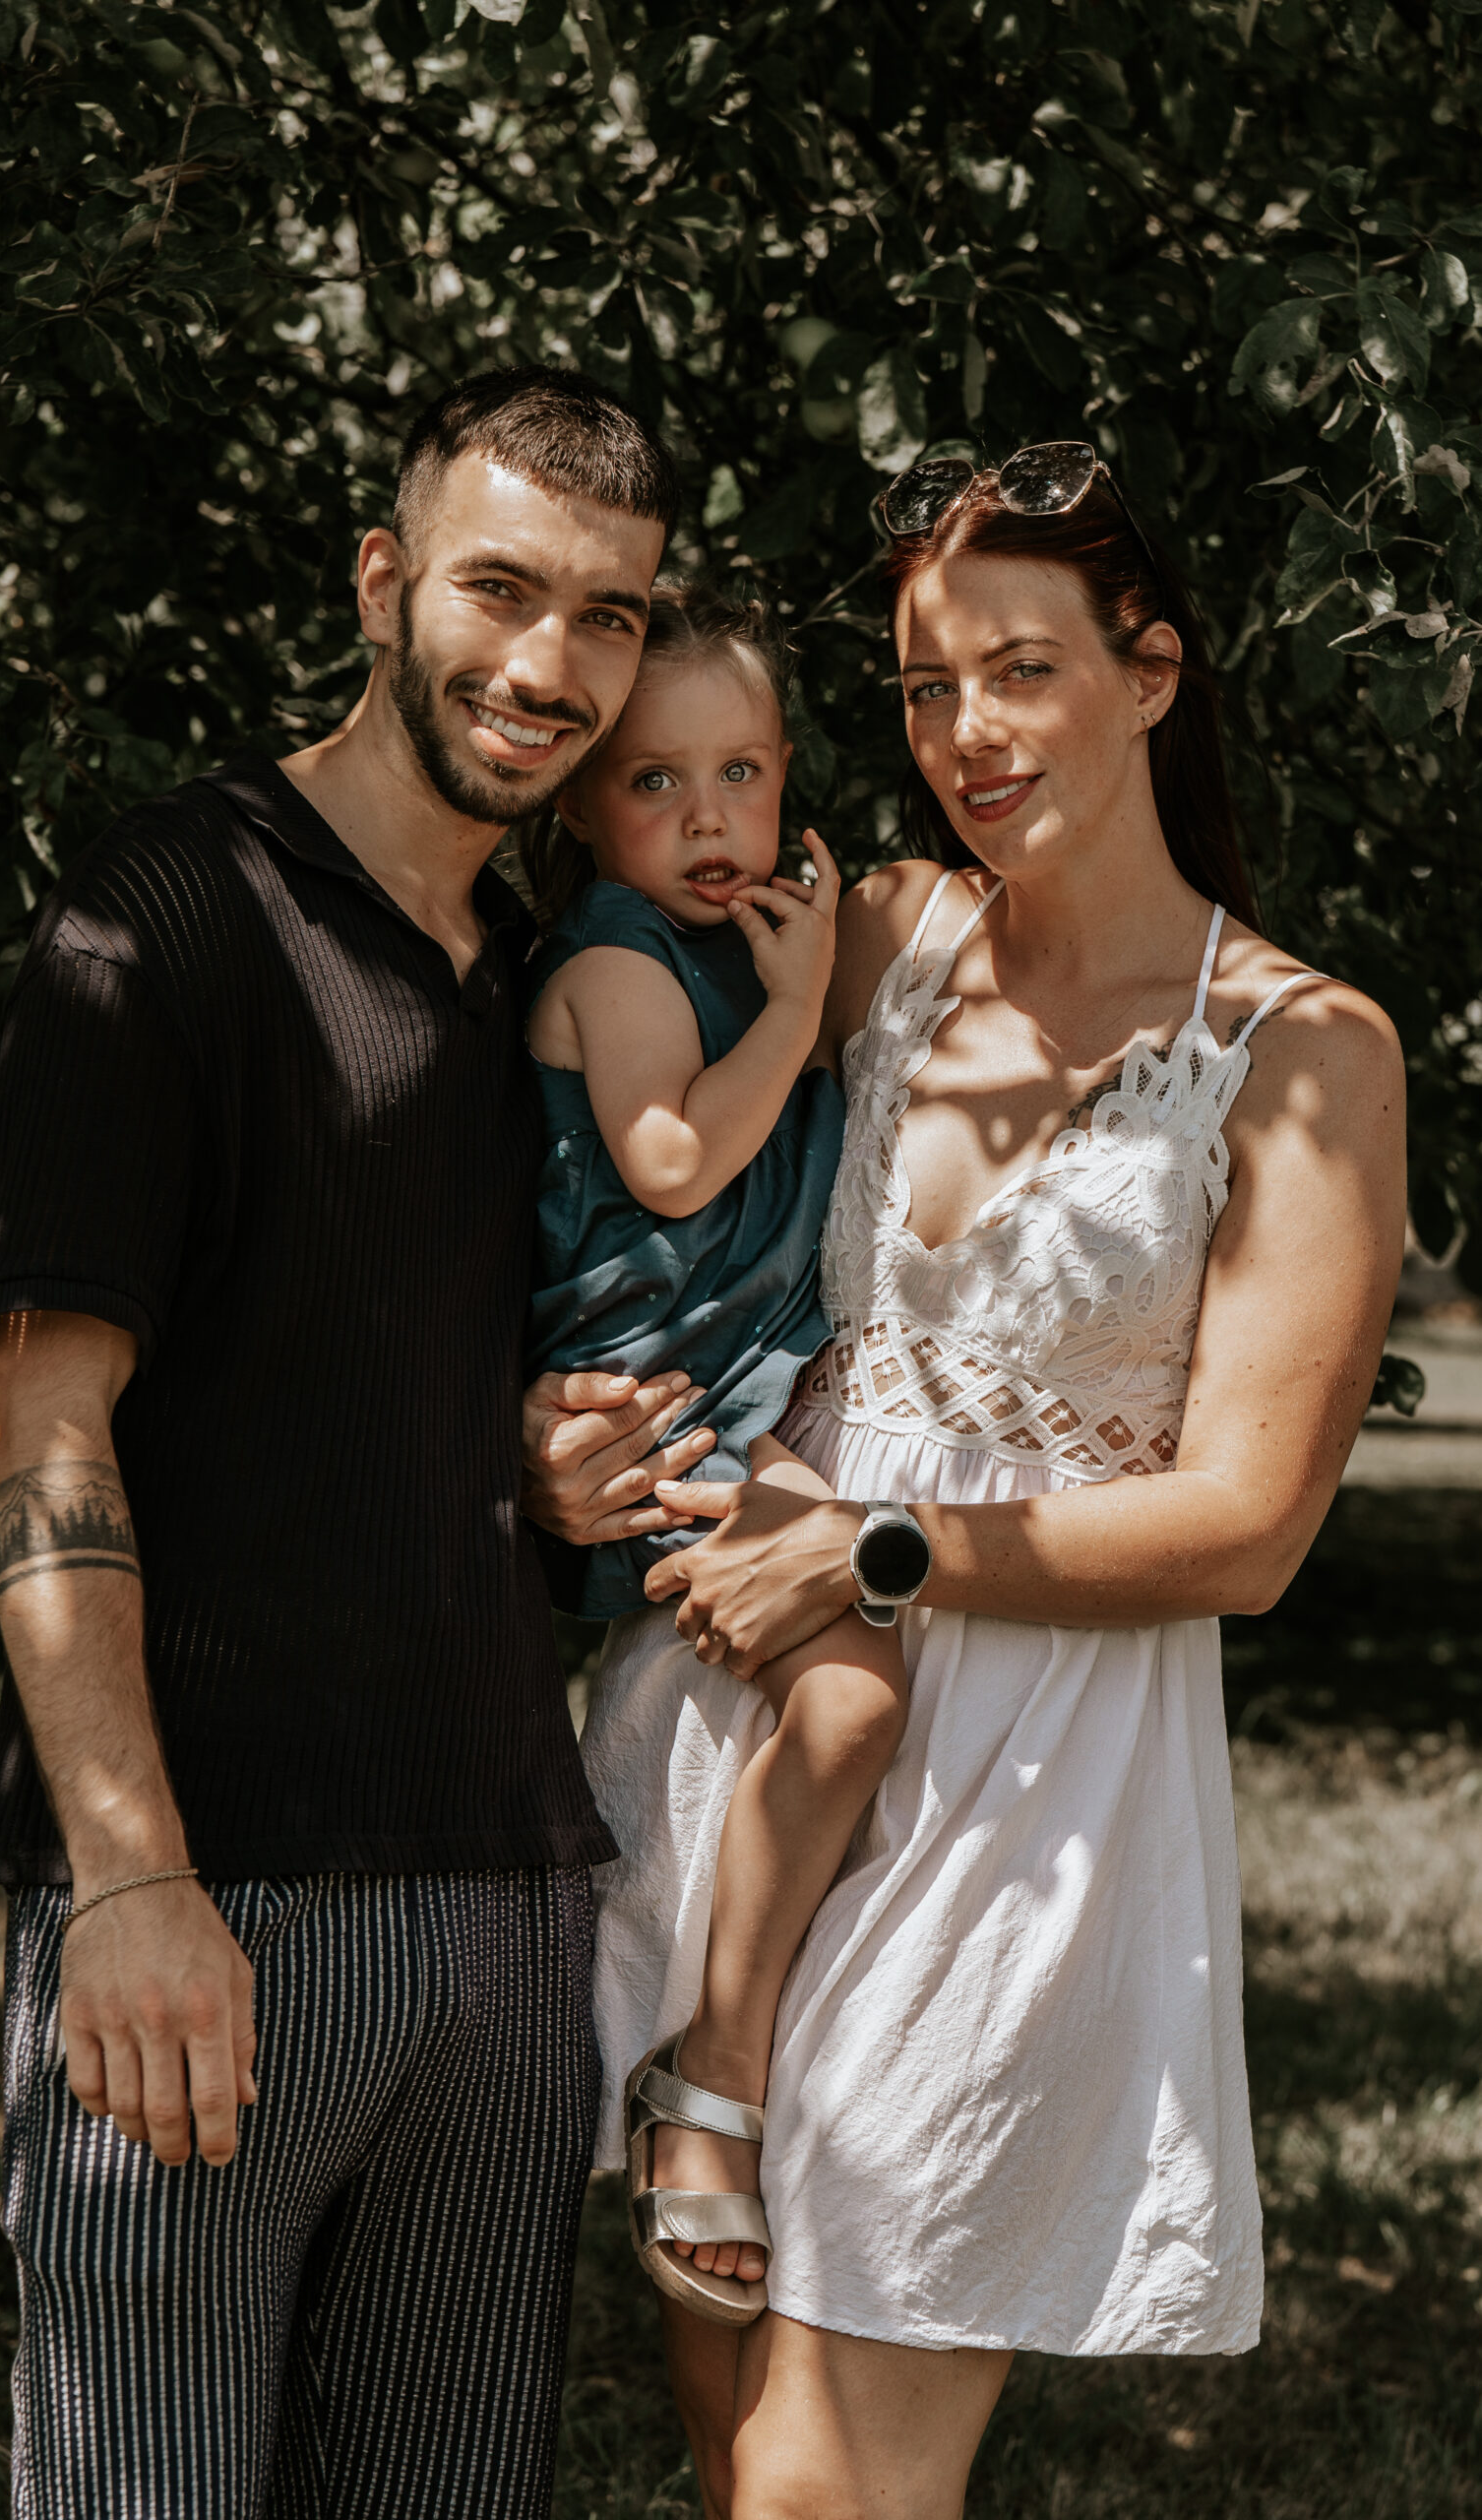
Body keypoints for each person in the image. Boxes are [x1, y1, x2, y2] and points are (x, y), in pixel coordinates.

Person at [524, 442, 1405, 2520]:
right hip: (744, 1711)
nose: (965, 735)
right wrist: (552, 1428)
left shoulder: (1304, 1050)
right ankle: (716, 2065)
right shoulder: (880, 934)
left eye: (1020, 671)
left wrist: (878, 1546)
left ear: (1151, 673)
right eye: (926, 687)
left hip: (1027, 1779)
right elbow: (623, 1175)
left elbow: (1251, 1525)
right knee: (732, 2443)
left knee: (822, 2488)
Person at [0, 365, 681, 2520]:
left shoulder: (546, 980)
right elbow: (34, 1420)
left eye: (610, 615)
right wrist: (129, 1877)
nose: (550, 664)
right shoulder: (172, 911)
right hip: (218, 1893)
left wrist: (526, 1460)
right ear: (382, 583)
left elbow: (376, 1352)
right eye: (500, 589)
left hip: (512, 1905)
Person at [522, 584, 908, 2326]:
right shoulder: (619, 961)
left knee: (848, 1712)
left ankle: (724, 2031)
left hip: (743, 1404)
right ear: (584, 810)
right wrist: (806, 1005)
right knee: (850, 1706)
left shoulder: (735, 953)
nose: (707, 819)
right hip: (659, 1420)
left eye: (741, 773)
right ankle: (707, 2072)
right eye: (655, 782)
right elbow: (673, 1161)